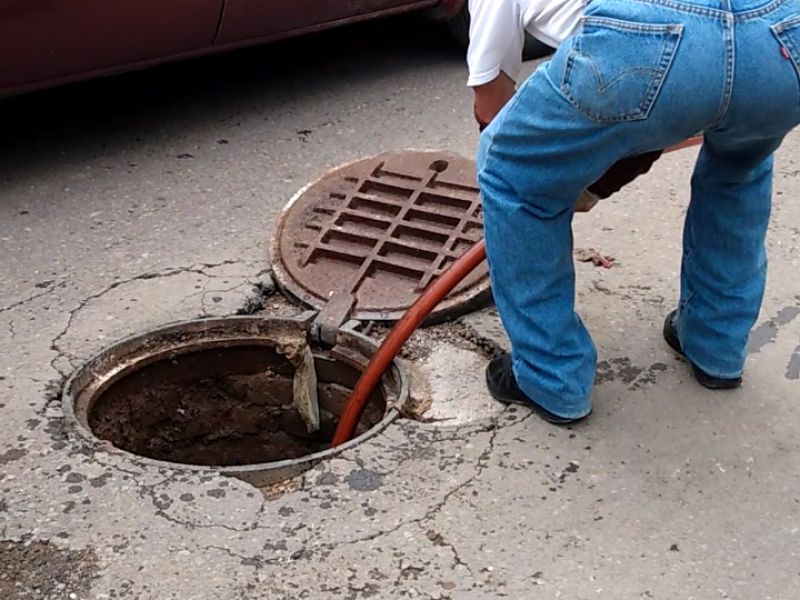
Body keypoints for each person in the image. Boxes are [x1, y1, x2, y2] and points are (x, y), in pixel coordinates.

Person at [467, 0, 800, 424]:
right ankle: (716, 346)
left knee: (511, 171)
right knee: (741, 169)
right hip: (782, 34)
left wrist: (560, 177)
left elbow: (492, 105)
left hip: (652, 40)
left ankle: (550, 377)